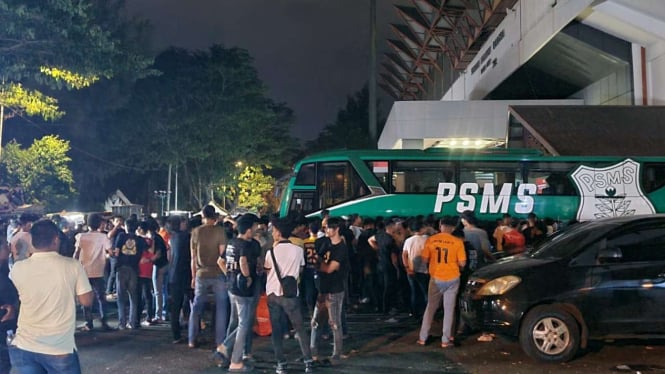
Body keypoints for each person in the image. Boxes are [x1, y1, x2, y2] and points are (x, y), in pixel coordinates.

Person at [8, 219, 93, 373]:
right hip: (58, 348)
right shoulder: (72, 265)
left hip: (25, 345)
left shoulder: (17, 268)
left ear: (32, 242)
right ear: (55, 239)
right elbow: (86, 301)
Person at [264, 218, 314, 374]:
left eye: (273, 231)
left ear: (279, 232)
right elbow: (300, 270)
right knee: (299, 327)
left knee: (277, 329)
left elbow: (267, 270)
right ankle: (308, 361)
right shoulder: (298, 250)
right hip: (291, 294)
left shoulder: (271, 252)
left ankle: (281, 363)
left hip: (273, 293)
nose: (272, 233)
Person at [213, 216, 261, 372]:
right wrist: (246, 277)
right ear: (248, 230)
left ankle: (225, 355)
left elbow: (220, 262)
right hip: (244, 289)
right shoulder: (247, 245)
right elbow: (243, 262)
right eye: (254, 227)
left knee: (235, 321)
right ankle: (234, 359)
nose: (256, 229)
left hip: (232, 287)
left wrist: (230, 275)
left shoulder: (231, 243)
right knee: (244, 323)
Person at [416, 216, 466, 348]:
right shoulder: (457, 242)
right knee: (449, 309)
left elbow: (425, 259)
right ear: (453, 228)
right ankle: (446, 340)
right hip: (453, 277)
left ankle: (423, 337)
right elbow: (462, 263)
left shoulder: (431, 240)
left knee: (431, 307)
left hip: (436, 278)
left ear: (440, 225)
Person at [310, 217, 350, 365]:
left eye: (328, 228)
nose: (326, 230)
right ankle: (313, 352)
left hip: (335, 289)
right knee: (316, 321)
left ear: (337, 229)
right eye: (325, 227)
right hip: (322, 289)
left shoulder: (341, 248)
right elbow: (318, 261)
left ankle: (336, 354)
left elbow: (329, 268)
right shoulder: (323, 242)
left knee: (334, 322)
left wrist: (318, 265)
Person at [189, 205, 229, 348]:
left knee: (196, 306)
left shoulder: (196, 232)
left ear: (203, 216)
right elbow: (222, 255)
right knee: (221, 307)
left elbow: (193, 258)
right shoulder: (220, 232)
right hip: (218, 273)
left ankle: (191, 339)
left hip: (201, 272)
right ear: (215, 216)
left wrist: (193, 277)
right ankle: (220, 341)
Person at [73, 213, 113, 331]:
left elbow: (76, 253)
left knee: (86, 297)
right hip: (98, 271)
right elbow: (110, 252)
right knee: (101, 297)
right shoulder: (103, 237)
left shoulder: (81, 236)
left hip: (84, 271)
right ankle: (104, 320)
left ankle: (88, 322)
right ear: (100, 224)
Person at [114, 218, 147, 330]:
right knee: (133, 297)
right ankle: (132, 322)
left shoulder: (121, 236)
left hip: (121, 268)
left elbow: (117, 252)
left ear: (126, 226)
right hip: (134, 269)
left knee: (121, 297)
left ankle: (122, 323)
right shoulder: (140, 240)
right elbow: (147, 250)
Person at [166, 215, 191, 344]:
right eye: (183, 222)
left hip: (173, 275)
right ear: (180, 224)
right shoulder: (185, 237)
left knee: (175, 306)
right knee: (193, 303)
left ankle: (176, 334)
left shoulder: (173, 237)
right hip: (185, 274)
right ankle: (194, 331)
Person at [401, 219, 429, 319]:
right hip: (424, 270)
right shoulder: (427, 239)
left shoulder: (408, 240)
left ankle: (414, 312)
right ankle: (427, 313)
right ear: (422, 228)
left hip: (411, 270)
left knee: (414, 292)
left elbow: (404, 255)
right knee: (426, 293)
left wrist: (407, 267)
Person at [0, 241, 18, 374]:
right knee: (3, 361)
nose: (9, 249)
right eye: (6, 246)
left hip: (5, 322)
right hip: (3, 322)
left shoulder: (4, 269)